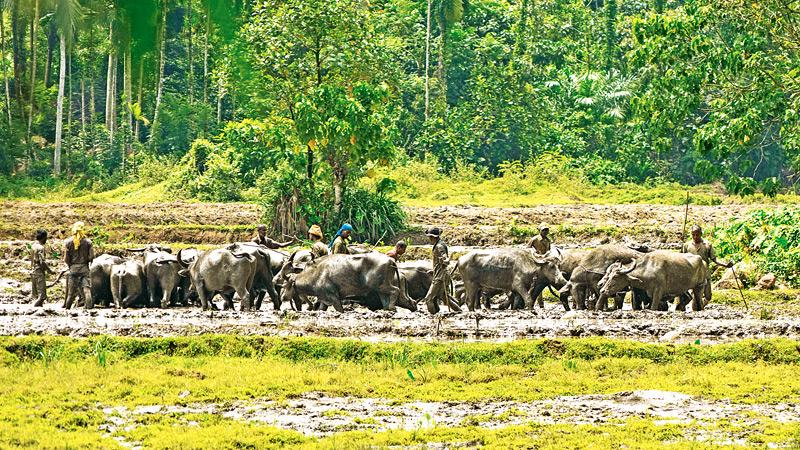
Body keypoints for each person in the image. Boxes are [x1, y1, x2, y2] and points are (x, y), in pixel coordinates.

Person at [681, 224, 731, 308]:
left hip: (705, 273)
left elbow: (714, 259)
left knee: (708, 296)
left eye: (697, 234)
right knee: (694, 295)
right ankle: (694, 308)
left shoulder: (707, 245)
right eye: (693, 235)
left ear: (701, 234)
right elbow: (682, 259)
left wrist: (725, 265)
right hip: (692, 274)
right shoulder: (687, 245)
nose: (695, 237)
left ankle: (701, 305)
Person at [420, 227, 454, 314]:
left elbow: (445, 258)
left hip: (440, 277)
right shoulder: (440, 244)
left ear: (433, 237)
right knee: (446, 299)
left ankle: (433, 317)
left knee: (428, 299)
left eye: (430, 237)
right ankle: (460, 312)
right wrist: (433, 270)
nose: (429, 239)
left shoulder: (439, 246)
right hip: (441, 273)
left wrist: (445, 261)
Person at [64, 221, 95, 309]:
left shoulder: (68, 242)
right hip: (84, 268)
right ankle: (89, 311)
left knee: (70, 293)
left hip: (73, 269)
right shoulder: (88, 242)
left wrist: (70, 266)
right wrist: (87, 262)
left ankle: (67, 311)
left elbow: (66, 259)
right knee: (87, 290)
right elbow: (91, 256)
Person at [30, 229, 55, 307]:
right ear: (44, 237)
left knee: (36, 295)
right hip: (39, 272)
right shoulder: (40, 248)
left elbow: (31, 259)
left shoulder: (33, 246)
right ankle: (32, 309)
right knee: (42, 296)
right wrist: (50, 271)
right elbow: (42, 262)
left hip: (33, 271)